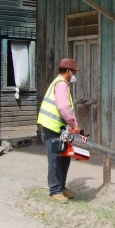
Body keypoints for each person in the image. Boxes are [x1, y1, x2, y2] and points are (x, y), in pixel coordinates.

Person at [37, 58, 80, 203]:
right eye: (74, 72)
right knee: (55, 160)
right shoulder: (61, 84)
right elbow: (63, 108)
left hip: (60, 129)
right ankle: (55, 190)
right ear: (68, 71)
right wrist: (74, 125)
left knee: (64, 158)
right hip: (52, 127)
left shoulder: (61, 84)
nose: (74, 75)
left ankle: (61, 187)